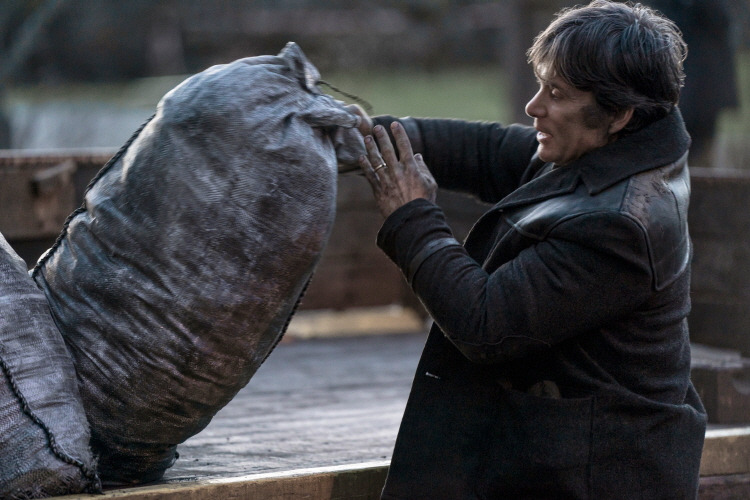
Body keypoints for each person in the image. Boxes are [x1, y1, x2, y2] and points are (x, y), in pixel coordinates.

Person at [347, 1, 707, 498]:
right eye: (540, 85)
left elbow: (485, 323)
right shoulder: (604, 150)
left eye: (556, 94)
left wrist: (412, 216)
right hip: (557, 456)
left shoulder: (620, 225)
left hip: (599, 477)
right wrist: (368, 136)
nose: (534, 106)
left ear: (619, 113)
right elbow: (486, 151)